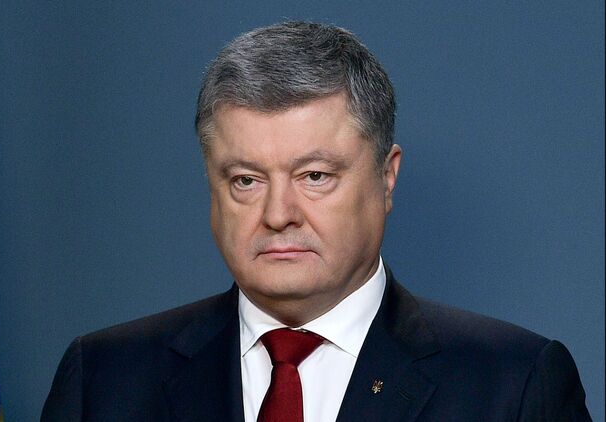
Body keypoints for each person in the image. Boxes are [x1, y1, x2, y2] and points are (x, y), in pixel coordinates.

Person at [41, 21, 591, 421]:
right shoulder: (104, 379)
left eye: (315, 176)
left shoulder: (513, 384)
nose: (278, 215)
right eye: (246, 180)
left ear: (386, 177)